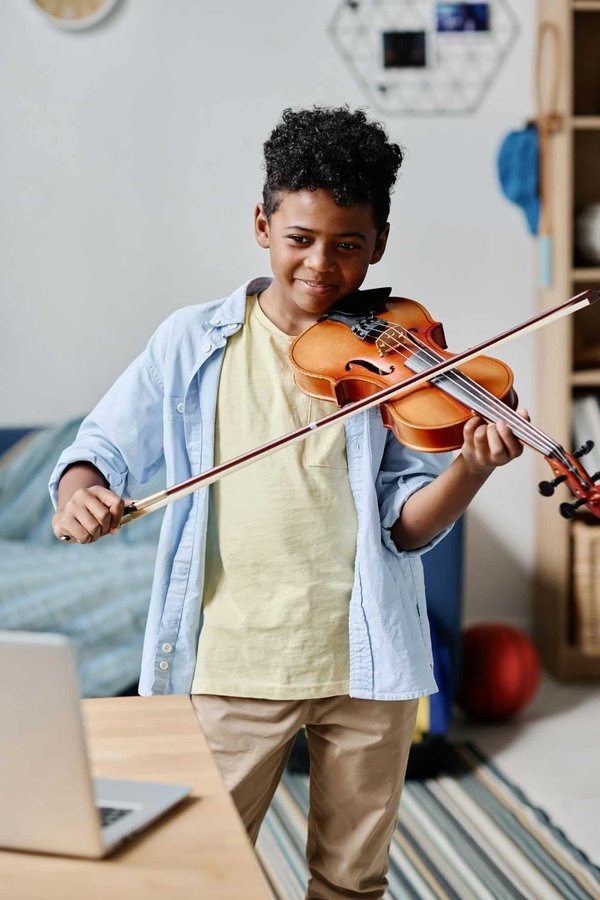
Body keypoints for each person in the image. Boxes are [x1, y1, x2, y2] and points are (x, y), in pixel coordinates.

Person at [50, 106, 525, 898]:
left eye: (348, 245)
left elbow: (405, 531)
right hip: (235, 665)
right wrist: (82, 492)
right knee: (196, 877)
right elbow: (98, 448)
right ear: (262, 225)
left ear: (379, 243)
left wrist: (469, 471)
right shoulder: (191, 341)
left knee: (351, 883)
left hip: (366, 665)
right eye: (300, 238)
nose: (321, 265)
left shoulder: (398, 359)